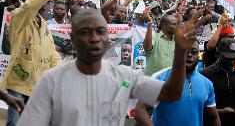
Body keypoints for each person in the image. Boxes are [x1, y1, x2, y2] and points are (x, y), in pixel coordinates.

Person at [16, 8, 211, 126]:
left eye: (100, 32)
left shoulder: (124, 77)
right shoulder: (51, 81)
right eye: (85, 32)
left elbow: (171, 93)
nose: (94, 38)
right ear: (73, 40)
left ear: (108, 39)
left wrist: (180, 53)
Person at [0, 0, 71, 126]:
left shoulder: (44, 24)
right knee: (15, 122)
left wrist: (60, 72)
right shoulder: (18, 16)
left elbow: (51, 52)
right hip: (18, 82)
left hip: (38, 85)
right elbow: (29, 7)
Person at [135, 41, 221, 126]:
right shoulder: (159, 78)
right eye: (185, 51)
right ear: (176, 53)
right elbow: (140, 111)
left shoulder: (207, 84)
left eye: (194, 52)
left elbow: (213, 117)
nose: (189, 55)